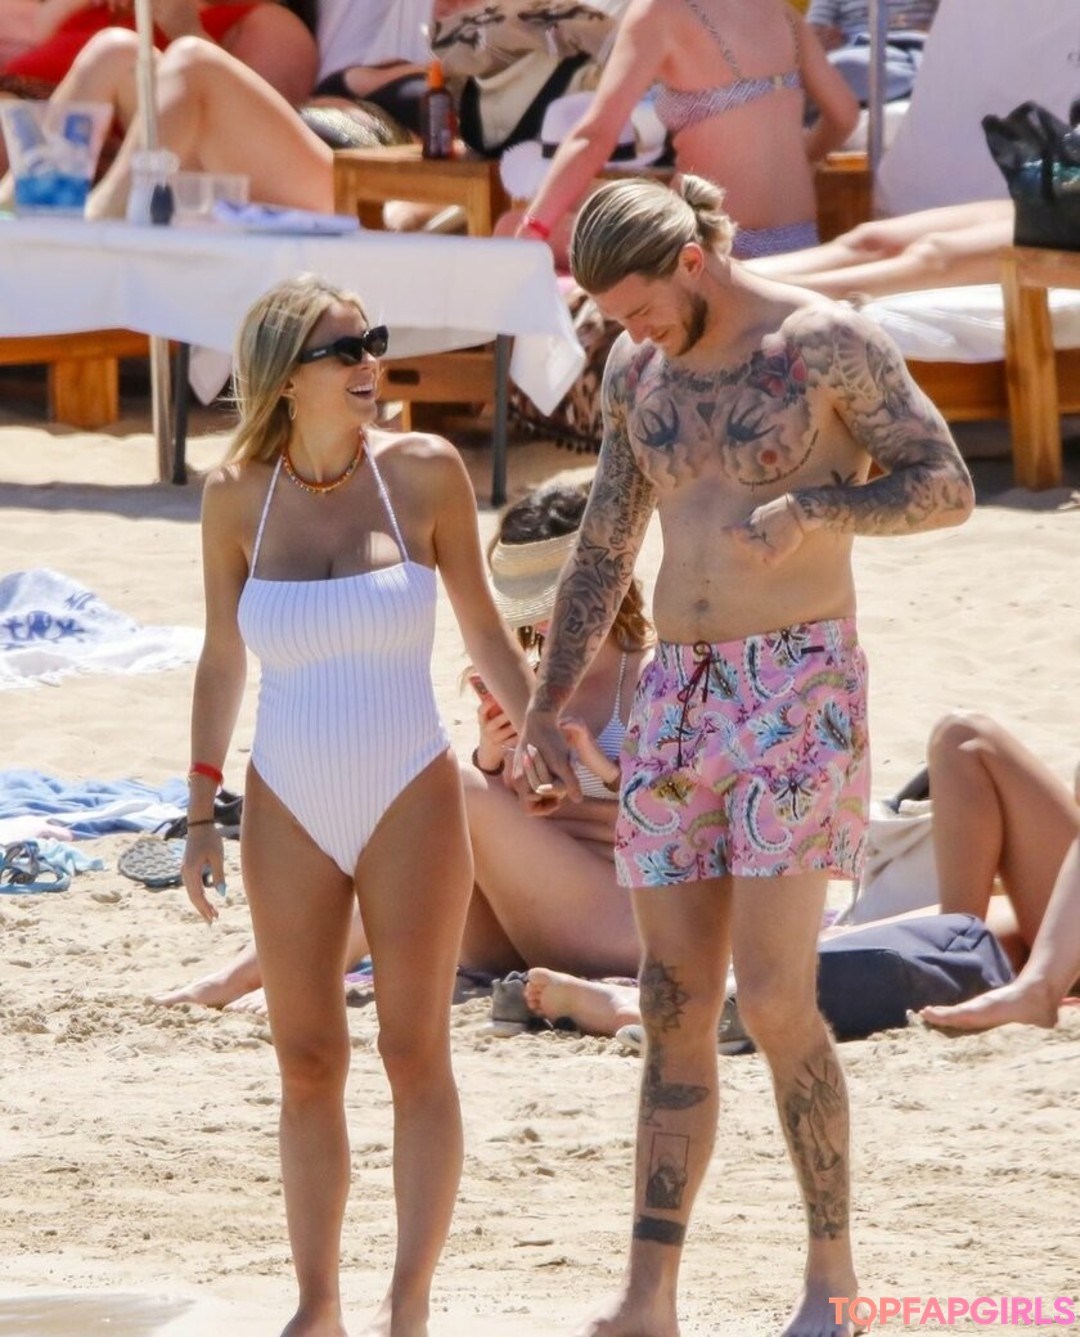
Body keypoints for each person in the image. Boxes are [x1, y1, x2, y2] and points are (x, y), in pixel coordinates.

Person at [512, 173, 974, 1337]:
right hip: (677, 692)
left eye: (640, 307)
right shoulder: (638, 370)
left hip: (798, 683)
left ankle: (834, 1279)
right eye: (614, 318)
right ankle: (648, 1296)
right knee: (672, 999)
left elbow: (946, 486)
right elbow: (607, 536)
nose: (633, 331)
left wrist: (821, 508)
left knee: (773, 997)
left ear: (692, 260)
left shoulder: (825, 343)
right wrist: (547, 700)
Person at [180, 272, 537, 1337]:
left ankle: (407, 1303)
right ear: (287, 376)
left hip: (409, 788)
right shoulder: (234, 494)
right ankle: (318, 1305)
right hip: (285, 797)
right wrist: (198, 809)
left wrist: (546, 729)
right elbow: (220, 657)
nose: (369, 362)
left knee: (413, 1050)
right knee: (305, 1060)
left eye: (372, 340)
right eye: (345, 349)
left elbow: (482, 626)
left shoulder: (423, 472)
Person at [156, 472, 652, 1013]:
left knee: (448, 784)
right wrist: (492, 755)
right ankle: (264, 968)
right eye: (528, 603)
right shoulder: (523, 677)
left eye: (548, 600)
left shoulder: (652, 674)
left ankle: (284, 973)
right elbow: (507, 816)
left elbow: (691, 809)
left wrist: (604, 768)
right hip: (517, 923)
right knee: (436, 792)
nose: (537, 618)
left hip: (622, 917)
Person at [505, 0, 860, 265]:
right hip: (798, 245)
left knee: (510, 225)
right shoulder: (781, 13)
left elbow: (594, 138)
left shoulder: (660, 11)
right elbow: (844, 115)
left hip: (717, 252)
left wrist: (531, 230)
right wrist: (802, 159)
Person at [746, 199, 1015, 302]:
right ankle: (731, 275)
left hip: (1045, 227)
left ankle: (757, 295)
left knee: (933, 255)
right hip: (1029, 201)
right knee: (871, 240)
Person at [806, 0, 939, 105]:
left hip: (918, 47)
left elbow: (948, 22)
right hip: (856, 51)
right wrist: (823, 41)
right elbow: (813, 35)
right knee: (827, 71)